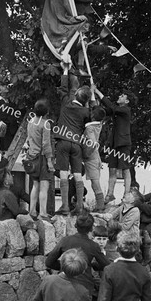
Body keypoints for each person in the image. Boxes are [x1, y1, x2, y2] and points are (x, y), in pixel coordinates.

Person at [54, 73, 93, 216]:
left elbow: (63, 89)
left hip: (63, 142)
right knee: (78, 175)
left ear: (76, 94)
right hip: (77, 145)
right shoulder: (85, 111)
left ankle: (64, 205)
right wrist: (90, 98)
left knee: (64, 173)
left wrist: (64, 71)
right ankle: (80, 206)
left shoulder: (66, 102)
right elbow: (91, 115)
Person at [93, 86, 132, 203]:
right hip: (114, 143)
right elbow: (104, 111)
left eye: (122, 96)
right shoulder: (116, 111)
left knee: (125, 169)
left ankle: (126, 195)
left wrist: (98, 92)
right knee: (112, 168)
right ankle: (110, 194)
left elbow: (111, 106)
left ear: (127, 101)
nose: (119, 97)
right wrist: (94, 100)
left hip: (123, 144)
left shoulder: (126, 110)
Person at [26, 99, 54, 222]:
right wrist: (49, 161)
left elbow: (29, 140)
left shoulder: (30, 122)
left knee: (35, 186)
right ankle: (43, 213)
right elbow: (46, 144)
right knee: (44, 186)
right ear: (46, 111)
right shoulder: (46, 124)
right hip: (42, 157)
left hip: (32, 157)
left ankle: (32, 211)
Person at [83, 105, 106, 211]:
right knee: (94, 182)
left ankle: (100, 206)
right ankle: (100, 205)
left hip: (91, 157)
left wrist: (86, 154)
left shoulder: (89, 128)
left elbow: (93, 143)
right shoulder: (99, 125)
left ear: (92, 115)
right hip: (96, 157)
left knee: (95, 183)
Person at [0, 85, 24, 154]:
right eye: (3, 86)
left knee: (14, 150)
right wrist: (0, 123)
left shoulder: (12, 101)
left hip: (14, 128)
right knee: (6, 152)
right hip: (5, 130)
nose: (6, 87)